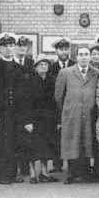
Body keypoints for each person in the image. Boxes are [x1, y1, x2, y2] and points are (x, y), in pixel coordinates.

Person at [0, 33, 32, 185]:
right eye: (5, 46)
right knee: (1, 143)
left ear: (15, 47)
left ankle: (12, 174)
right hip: (1, 113)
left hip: (16, 113)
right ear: (0, 48)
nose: (8, 49)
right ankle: (1, 175)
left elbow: (25, 95)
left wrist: (25, 117)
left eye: (11, 45)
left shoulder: (20, 68)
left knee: (15, 142)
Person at [55, 47, 99, 184]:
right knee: (72, 143)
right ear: (76, 57)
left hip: (90, 115)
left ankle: (86, 173)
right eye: (81, 55)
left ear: (90, 57)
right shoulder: (65, 73)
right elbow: (58, 96)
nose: (84, 57)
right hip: (72, 115)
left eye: (86, 54)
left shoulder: (97, 73)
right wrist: (68, 110)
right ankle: (72, 174)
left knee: (87, 142)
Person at [28, 55, 59, 183]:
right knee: (33, 146)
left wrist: (57, 120)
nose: (44, 66)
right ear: (35, 67)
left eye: (46, 64)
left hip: (48, 119)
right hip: (34, 119)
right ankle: (33, 174)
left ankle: (44, 173)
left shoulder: (52, 80)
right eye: (41, 64)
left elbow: (55, 101)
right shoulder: (29, 81)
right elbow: (25, 102)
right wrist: (27, 121)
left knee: (46, 146)